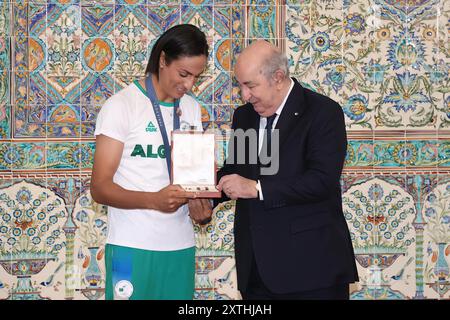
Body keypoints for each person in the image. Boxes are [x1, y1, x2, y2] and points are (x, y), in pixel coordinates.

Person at [216, 40, 359, 300]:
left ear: (278, 78)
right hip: (256, 272)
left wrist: (256, 188)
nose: (244, 96)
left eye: (249, 86)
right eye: (240, 86)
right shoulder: (244, 117)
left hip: (312, 271)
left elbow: (321, 180)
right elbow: (236, 171)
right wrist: (203, 193)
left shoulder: (323, 113)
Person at [90, 24, 212, 300]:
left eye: (196, 76)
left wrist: (201, 204)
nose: (189, 84)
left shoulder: (192, 109)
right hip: (129, 248)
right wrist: (153, 201)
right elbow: (99, 188)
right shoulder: (121, 106)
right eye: (183, 74)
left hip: (180, 246)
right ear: (162, 60)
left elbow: (193, 176)